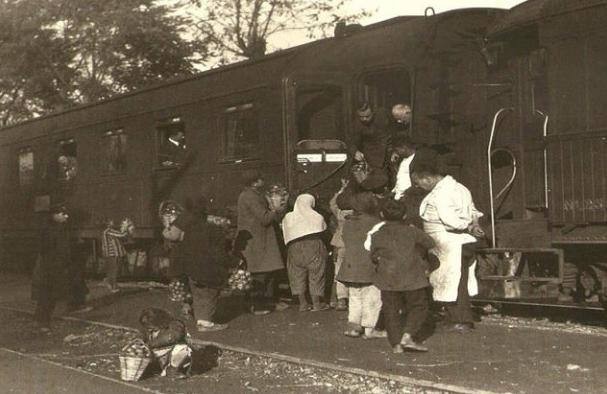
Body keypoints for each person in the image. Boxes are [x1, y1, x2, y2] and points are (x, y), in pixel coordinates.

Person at [412, 166, 485, 332]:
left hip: (450, 243)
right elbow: (473, 211)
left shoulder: (440, 194)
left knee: (452, 282)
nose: (418, 187)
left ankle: (462, 320)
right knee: (457, 281)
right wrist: (474, 224)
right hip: (461, 242)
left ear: (427, 178)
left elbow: (450, 221)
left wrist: (468, 226)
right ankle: (455, 317)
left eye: (418, 183)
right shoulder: (461, 188)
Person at [365, 199, 435, 353]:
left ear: (382, 215)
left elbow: (373, 255)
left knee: (390, 310)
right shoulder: (412, 231)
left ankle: (396, 344)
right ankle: (408, 335)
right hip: (412, 276)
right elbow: (430, 243)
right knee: (419, 306)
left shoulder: (377, 234)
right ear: (405, 215)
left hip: (388, 277)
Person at [168, 196, 234, 332]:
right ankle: (205, 323)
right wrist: (232, 262)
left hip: (191, 268)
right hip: (207, 271)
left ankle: (199, 319)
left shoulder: (189, 227)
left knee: (198, 294)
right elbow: (219, 255)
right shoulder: (214, 231)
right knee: (209, 293)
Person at [33, 203, 91, 332]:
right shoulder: (50, 229)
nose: (67, 216)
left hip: (55, 267)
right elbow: (48, 249)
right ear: (55, 215)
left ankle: (42, 321)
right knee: (48, 295)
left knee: (49, 296)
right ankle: (42, 323)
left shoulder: (57, 228)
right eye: (63, 214)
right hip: (50, 268)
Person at [337, 192, 386, 339]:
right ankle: (370, 329)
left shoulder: (348, 222)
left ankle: (354, 327)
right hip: (370, 265)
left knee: (355, 296)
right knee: (372, 297)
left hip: (351, 266)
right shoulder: (377, 223)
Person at [237, 170, 286, 315]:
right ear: (255, 182)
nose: (263, 180)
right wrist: (276, 208)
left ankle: (266, 302)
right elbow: (264, 218)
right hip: (257, 241)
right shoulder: (251, 197)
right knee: (260, 274)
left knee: (265, 273)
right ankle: (257, 305)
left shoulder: (250, 194)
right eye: (260, 178)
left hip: (258, 240)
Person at [281, 194, 329, 312]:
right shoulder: (317, 216)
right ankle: (316, 304)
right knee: (316, 274)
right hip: (313, 245)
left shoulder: (288, 217)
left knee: (296, 275)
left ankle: (303, 304)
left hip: (294, 247)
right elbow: (324, 231)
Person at [390, 136, 439, 201]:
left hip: (409, 198)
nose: (396, 152)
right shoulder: (403, 159)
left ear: (404, 148)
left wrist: (407, 195)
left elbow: (423, 183)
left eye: (396, 150)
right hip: (397, 196)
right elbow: (400, 177)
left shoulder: (420, 160)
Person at [329, 179, 352, 311]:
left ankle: (341, 300)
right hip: (353, 245)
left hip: (339, 244)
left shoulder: (339, 214)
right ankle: (350, 299)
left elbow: (332, 203)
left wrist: (341, 189)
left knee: (338, 273)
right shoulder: (356, 213)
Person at [349, 103, 393, 171]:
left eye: (367, 116)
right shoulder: (356, 125)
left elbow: (394, 130)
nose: (364, 119)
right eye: (361, 116)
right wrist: (355, 152)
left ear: (373, 112)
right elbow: (352, 142)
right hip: (371, 158)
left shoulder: (383, 114)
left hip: (390, 152)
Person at [101, 218, 132, 293]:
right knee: (114, 270)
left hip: (110, 254)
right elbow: (122, 235)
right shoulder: (109, 231)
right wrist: (127, 227)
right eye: (111, 221)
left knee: (111, 270)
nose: (113, 222)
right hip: (113, 254)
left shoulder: (107, 231)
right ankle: (113, 286)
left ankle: (111, 284)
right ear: (108, 223)